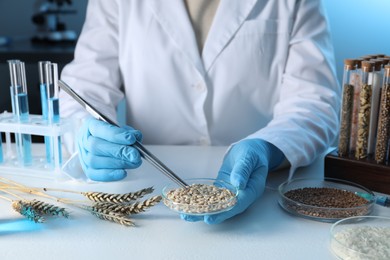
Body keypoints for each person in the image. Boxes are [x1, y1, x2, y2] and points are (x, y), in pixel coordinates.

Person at [59, 0, 340, 224]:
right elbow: (86, 86)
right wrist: (86, 129)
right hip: (149, 195)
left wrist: (268, 148)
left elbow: (315, 102)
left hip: (265, 193)